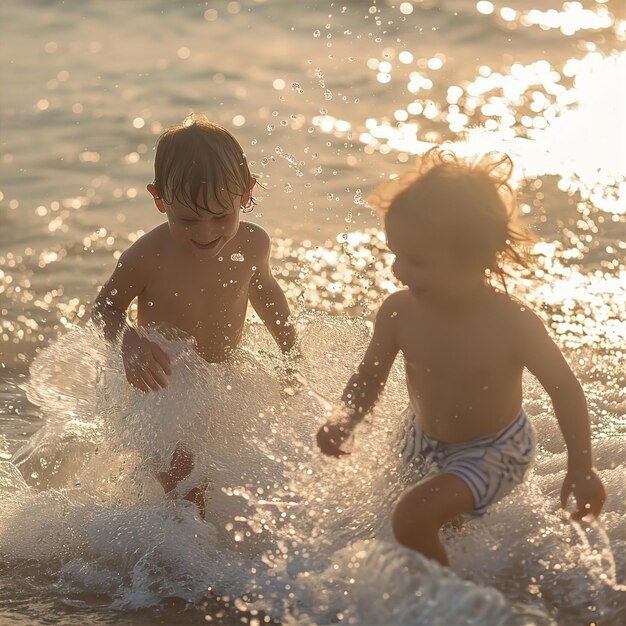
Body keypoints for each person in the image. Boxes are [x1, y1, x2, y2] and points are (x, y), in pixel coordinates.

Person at [316, 148, 606, 565]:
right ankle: (459, 570)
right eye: (394, 254)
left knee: (411, 516)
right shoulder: (399, 311)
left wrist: (581, 467)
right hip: (420, 437)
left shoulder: (510, 323)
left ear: (474, 258)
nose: (398, 270)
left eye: (416, 260)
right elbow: (369, 376)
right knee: (420, 520)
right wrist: (344, 420)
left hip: (494, 449)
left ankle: (447, 604)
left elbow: (564, 388)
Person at [92, 114, 296, 516]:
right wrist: (129, 340)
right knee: (185, 478)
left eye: (221, 216)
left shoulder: (254, 242)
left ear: (245, 193)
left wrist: (292, 355)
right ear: (159, 199)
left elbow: (267, 293)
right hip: (162, 382)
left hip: (222, 375)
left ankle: (209, 546)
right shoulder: (147, 255)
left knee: (243, 468)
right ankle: (186, 564)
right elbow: (104, 308)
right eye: (186, 219)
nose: (205, 232)